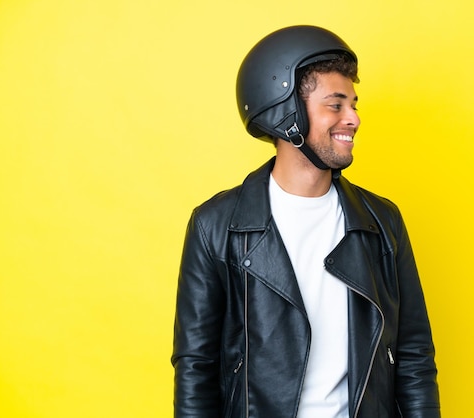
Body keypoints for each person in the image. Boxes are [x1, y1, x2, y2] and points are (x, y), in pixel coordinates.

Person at [171, 25, 440, 418]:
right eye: (336, 104)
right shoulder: (215, 226)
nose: (354, 119)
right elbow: (195, 367)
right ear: (286, 114)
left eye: (354, 104)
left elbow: (414, 355)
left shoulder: (381, 222)